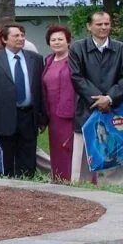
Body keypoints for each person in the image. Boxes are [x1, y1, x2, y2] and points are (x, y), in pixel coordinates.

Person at [0, 23, 46, 178]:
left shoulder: (35, 59)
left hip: (29, 117)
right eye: (16, 36)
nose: (20, 38)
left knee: (28, 161)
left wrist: (42, 116)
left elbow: (40, 90)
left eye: (22, 35)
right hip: (3, 117)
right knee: (5, 161)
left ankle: (27, 187)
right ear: (4, 39)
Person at [68, 10, 123, 184]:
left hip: (114, 109)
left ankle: (114, 192)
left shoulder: (120, 48)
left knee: (114, 153)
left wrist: (109, 98)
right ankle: (80, 193)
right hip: (86, 109)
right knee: (82, 159)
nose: (103, 27)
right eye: (99, 24)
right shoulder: (77, 48)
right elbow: (76, 77)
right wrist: (97, 101)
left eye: (107, 23)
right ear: (89, 26)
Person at [41, 24, 74, 181]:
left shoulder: (75, 60)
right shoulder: (48, 60)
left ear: (68, 41)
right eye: (53, 39)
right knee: (56, 150)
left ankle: (78, 181)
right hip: (52, 115)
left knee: (71, 150)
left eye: (60, 39)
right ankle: (59, 181)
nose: (57, 42)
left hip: (70, 114)